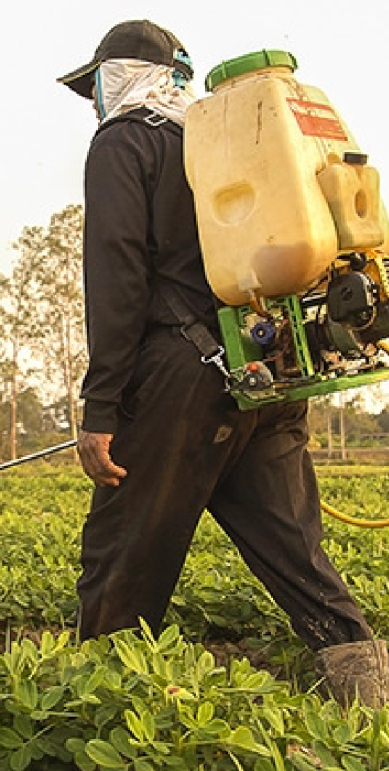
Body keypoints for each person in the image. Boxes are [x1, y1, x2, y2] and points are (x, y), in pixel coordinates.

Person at [58, 19, 388, 707]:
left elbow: (116, 278)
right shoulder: (232, 144)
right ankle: (370, 696)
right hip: (268, 369)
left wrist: (102, 409)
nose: (92, 101)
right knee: (295, 551)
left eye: (93, 86)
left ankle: (93, 714)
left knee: (122, 553)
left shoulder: (126, 141)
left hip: (180, 379)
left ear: (114, 78)